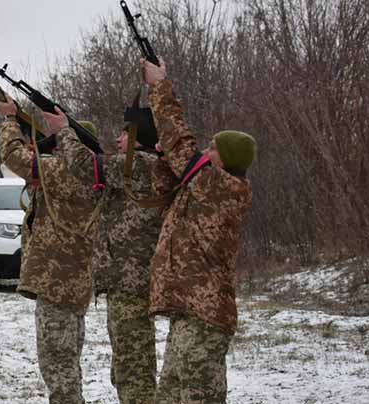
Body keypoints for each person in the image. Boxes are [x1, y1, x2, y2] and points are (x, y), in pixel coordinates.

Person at [140, 58, 257, 404]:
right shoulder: (206, 186)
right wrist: (166, 158)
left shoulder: (224, 188)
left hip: (204, 315)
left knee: (193, 396)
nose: (205, 152)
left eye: (212, 149)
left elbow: (182, 145)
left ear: (224, 161)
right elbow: (167, 181)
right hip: (189, 313)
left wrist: (159, 86)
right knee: (171, 396)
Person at [47, 111, 161, 404]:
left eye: (125, 134)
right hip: (130, 283)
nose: (118, 139)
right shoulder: (146, 166)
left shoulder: (137, 165)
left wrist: (64, 130)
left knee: (133, 371)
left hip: (129, 285)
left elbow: (85, 166)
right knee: (128, 366)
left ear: (139, 139)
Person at [0, 94, 99, 404]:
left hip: (57, 285)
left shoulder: (69, 172)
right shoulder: (89, 173)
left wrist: (9, 119)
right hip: (73, 285)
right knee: (66, 366)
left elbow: (14, 158)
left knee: (59, 369)